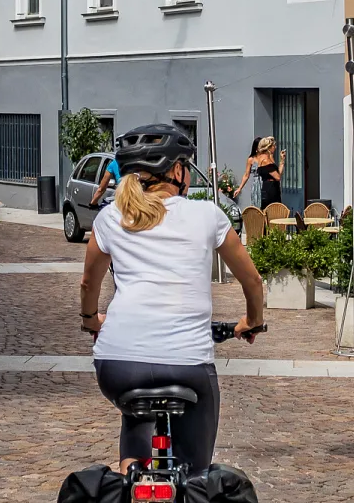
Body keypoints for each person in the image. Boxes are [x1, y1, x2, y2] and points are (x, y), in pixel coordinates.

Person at [78, 124, 265, 475]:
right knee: (195, 476)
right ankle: (189, 481)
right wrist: (252, 320)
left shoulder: (110, 218)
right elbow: (252, 281)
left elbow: (89, 283)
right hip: (186, 364)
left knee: (135, 413)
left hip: (118, 364)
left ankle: (128, 478)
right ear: (177, 171)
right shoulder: (206, 215)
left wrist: (91, 321)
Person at [250, 136, 286, 208]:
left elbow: (277, 173)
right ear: (269, 147)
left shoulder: (262, 157)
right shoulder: (266, 160)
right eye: (273, 146)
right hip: (271, 188)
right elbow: (278, 177)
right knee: (274, 209)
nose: (275, 147)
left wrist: (282, 160)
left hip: (267, 186)